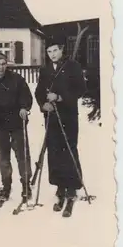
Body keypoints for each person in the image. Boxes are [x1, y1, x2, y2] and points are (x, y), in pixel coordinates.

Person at [34, 38, 87, 216]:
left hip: (68, 115)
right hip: (51, 116)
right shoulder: (45, 69)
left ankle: (72, 187)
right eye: (49, 52)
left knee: (69, 148)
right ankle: (60, 187)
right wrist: (43, 104)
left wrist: (60, 97)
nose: (52, 54)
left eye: (55, 50)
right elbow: (39, 91)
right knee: (54, 150)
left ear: (61, 50)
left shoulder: (73, 66)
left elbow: (80, 89)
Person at [0, 52, 33, 201]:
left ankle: (26, 185)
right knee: (4, 157)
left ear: (6, 64)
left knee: (22, 155)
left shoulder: (17, 79)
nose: (1, 67)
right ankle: (6, 187)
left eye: (3, 64)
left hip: (17, 122)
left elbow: (26, 96)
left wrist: (24, 107)